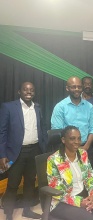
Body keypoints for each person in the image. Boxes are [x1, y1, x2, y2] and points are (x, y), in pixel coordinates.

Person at [0, 82, 47, 220]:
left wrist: (43, 145)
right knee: (13, 183)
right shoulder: (8, 107)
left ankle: (27, 210)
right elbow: (2, 132)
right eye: (25, 89)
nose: (29, 92)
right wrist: (2, 154)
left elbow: (42, 127)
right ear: (19, 91)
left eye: (32, 90)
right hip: (16, 152)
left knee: (30, 182)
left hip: (35, 150)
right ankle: (8, 214)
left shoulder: (37, 107)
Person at [47, 126, 93, 220]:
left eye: (79, 138)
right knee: (88, 218)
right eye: (72, 138)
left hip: (84, 195)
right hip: (63, 201)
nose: (77, 141)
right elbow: (57, 191)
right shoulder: (53, 160)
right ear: (63, 140)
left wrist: (92, 195)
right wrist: (79, 202)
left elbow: (89, 176)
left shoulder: (83, 154)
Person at [51, 77, 93, 167]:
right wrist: (72, 148)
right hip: (66, 150)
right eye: (73, 87)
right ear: (67, 88)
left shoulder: (89, 106)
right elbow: (57, 131)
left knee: (90, 178)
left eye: (79, 87)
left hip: (86, 148)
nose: (77, 89)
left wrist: (86, 147)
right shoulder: (60, 107)